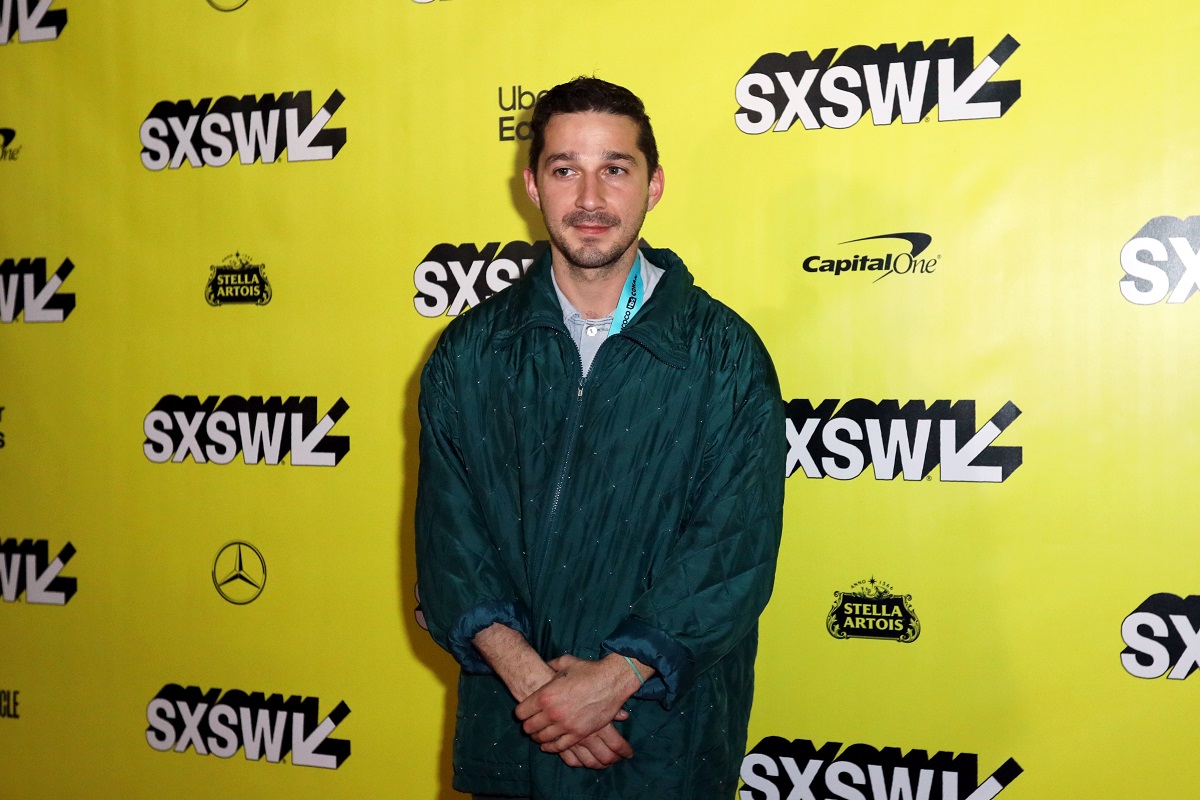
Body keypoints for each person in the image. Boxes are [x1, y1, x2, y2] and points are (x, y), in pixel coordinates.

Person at [415, 76, 786, 800]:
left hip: (661, 740)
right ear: (532, 185)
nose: (590, 199)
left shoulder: (725, 355)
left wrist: (615, 679)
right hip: (515, 730)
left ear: (652, 187)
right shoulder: (469, 353)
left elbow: (731, 554)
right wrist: (540, 688)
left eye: (615, 169)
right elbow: (448, 543)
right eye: (566, 170)